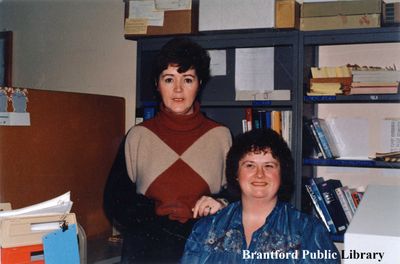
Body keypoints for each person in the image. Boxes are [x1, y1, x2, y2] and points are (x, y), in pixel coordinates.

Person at [103, 37, 232, 263]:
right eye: (169, 79)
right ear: (157, 84)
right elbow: (115, 201)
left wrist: (221, 203)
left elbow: (240, 196)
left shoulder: (221, 136)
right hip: (147, 252)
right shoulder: (138, 136)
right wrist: (155, 217)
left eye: (188, 79)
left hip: (205, 251)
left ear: (200, 83)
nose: (178, 89)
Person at [181, 128, 340, 264]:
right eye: (250, 165)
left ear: (281, 173)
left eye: (269, 166)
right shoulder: (207, 228)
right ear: (236, 173)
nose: (259, 174)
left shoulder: (308, 231)